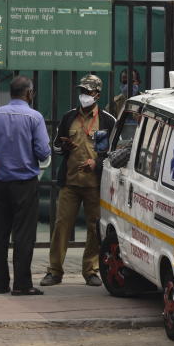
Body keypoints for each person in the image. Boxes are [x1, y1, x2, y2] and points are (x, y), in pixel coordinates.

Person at [0, 76, 51, 296]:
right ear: (29, 93)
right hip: (25, 183)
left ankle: (0, 283)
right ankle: (22, 284)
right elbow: (43, 152)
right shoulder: (34, 117)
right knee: (24, 235)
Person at [41, 74, 116, 287]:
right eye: (82, 91)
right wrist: (64, 147)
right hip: (70, 184)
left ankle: (90, 270)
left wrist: (96, 162)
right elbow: (55, 146)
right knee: (61, 226)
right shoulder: (69, 118)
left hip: (94, 185)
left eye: (88, 92)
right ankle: (54, 271)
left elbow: (114, 153)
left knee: (94, 229)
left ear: (97, 95)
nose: (84, 95)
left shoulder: (108, 120)